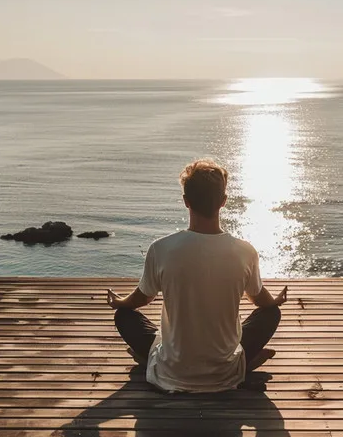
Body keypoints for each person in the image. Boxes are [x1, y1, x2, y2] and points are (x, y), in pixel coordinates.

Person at [106, 159, 287, 393]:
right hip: (224, 373)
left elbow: (141, 299)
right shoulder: (245, 251)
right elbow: (261, 300)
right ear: (223, 201)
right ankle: (243, 364)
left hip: (173, 371)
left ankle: (151, 360)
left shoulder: (161, 248)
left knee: (124, 316)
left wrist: (119, 302)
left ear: (186, 202)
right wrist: (275, 302)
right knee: (271, 314)